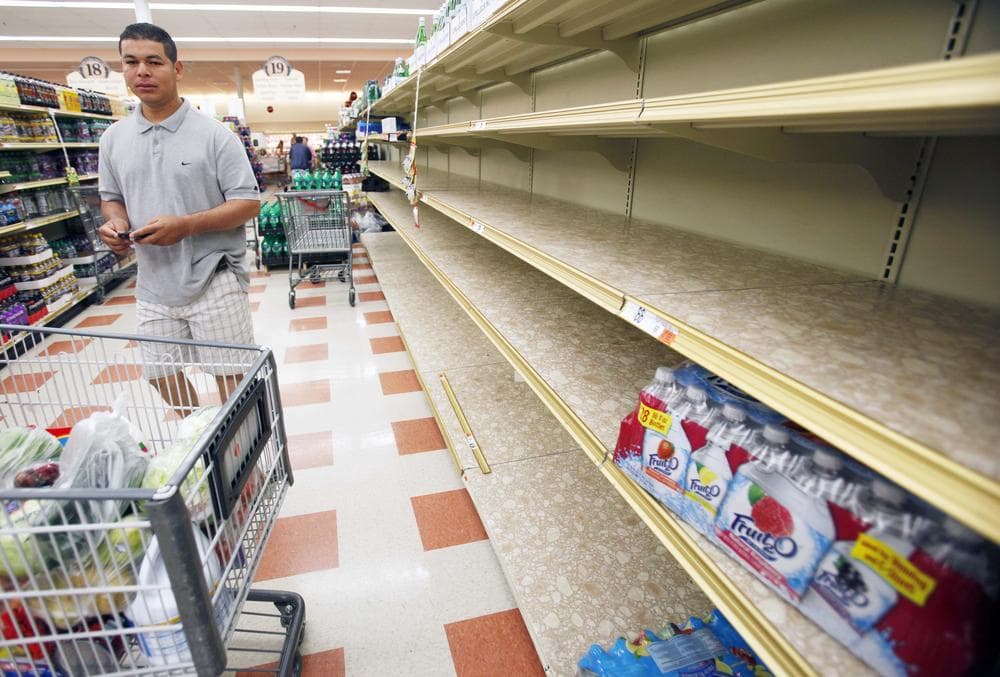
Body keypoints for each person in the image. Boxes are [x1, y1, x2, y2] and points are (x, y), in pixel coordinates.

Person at [98, 22, 260, 412]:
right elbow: (111, 198)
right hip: (153, 283)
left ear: (177, 68)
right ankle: (203, 436)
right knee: (160, 375)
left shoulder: (215, 136)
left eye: (154, 62)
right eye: (131, 62)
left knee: (233, 379)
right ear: (122, 69)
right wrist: (115, 223)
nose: (142, 72)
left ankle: (243, 464)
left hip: (214, 276)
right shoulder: (113, 139)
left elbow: (248, 203)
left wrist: (186, 225)